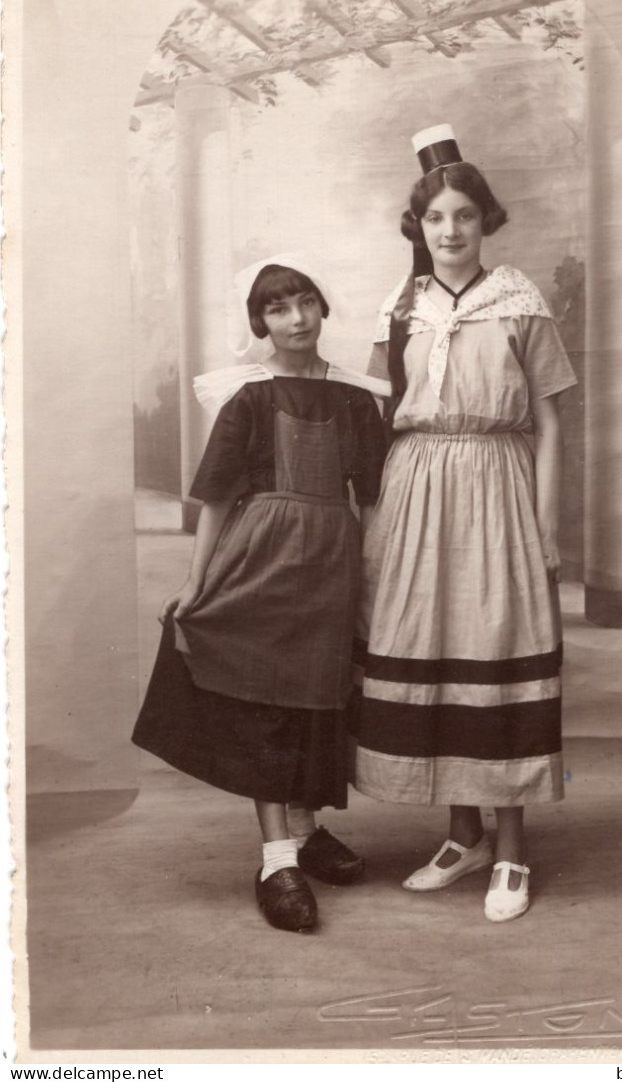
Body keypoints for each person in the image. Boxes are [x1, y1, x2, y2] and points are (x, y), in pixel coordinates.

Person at [351, 125, 577, 922]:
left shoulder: (520, 302)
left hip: (496, 487)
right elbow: (378, 417)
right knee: (434, 648)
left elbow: (549, 426)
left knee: (493, 645)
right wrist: (375, 523)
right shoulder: (400, 308)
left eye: (466, 217)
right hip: (416, 489)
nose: (450, 231)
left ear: (487, 223)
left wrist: (546, 526)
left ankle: (511, 849)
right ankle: (462, 836)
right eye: (436, 219)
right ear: (419, 228)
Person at [133, 256, 389, 934]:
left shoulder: (355, 398)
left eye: (304, 301)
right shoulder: (249, 396)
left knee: (315, 702)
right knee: (264, 705)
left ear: (322, 308)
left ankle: (304, 832)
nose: (295, 318)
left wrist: (372, 580)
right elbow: (217, 498)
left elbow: (373, 499)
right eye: (278, 308)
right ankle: (277, 860)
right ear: (260, 321)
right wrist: (196, 580)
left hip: (332, 567)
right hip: (263, 558)